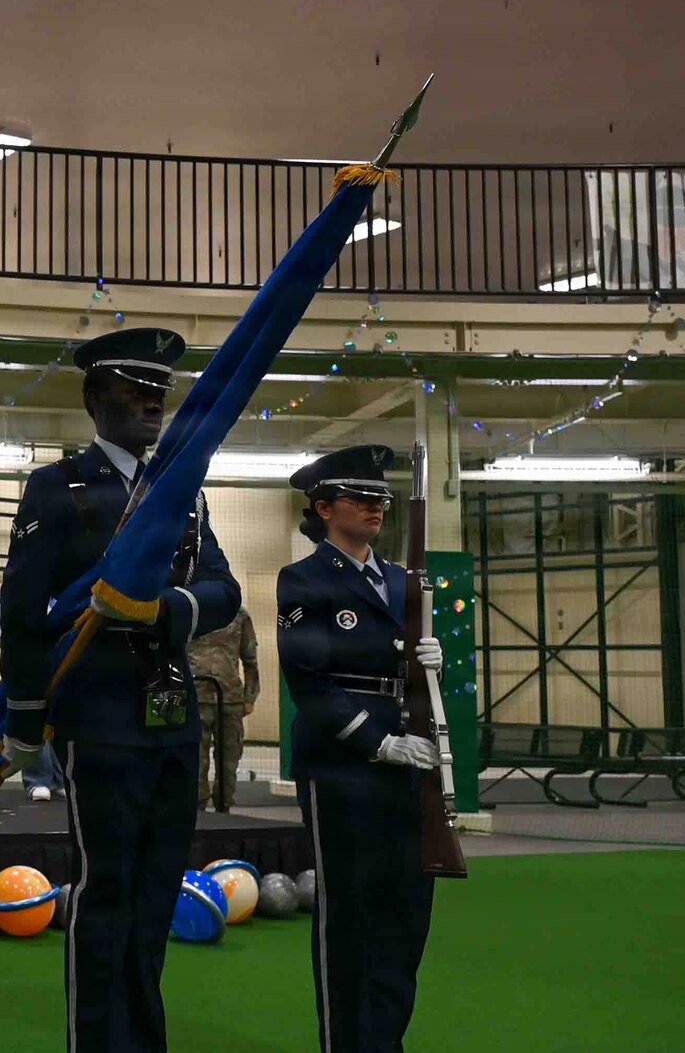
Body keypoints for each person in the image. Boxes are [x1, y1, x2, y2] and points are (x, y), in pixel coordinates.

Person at [0, 327, 242, 1053]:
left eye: (159, 392)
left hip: (173, 716)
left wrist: (168, 611)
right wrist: (26, 715)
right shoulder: (59, 486)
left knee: (156, 892)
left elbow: (223, 589)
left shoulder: (180, 487)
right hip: (100, 716)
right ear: (95, 398)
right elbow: (22, 609)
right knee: (106, 894)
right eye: (134, 391)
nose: (151, 404)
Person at [276, 445, 443, 1053]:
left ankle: (386, 1042)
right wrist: (379, 744)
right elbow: (309, 682)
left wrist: (434, 667)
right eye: (360, 497)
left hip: (410, 766)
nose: (376, 506)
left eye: (381, 498)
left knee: (406, 917)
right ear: (323, 508)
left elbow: (410, 674)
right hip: (343, 768)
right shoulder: (304, 579)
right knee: (350, 918)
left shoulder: (403, 580)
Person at [191, 606, 261, 811]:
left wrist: (250, 697)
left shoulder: (239, 615)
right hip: (195, 698)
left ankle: (224, 806)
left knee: (229, 759)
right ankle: (198, 807)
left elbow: (250, 659)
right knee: (195, 760)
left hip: (229, 698)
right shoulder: (189, 608)